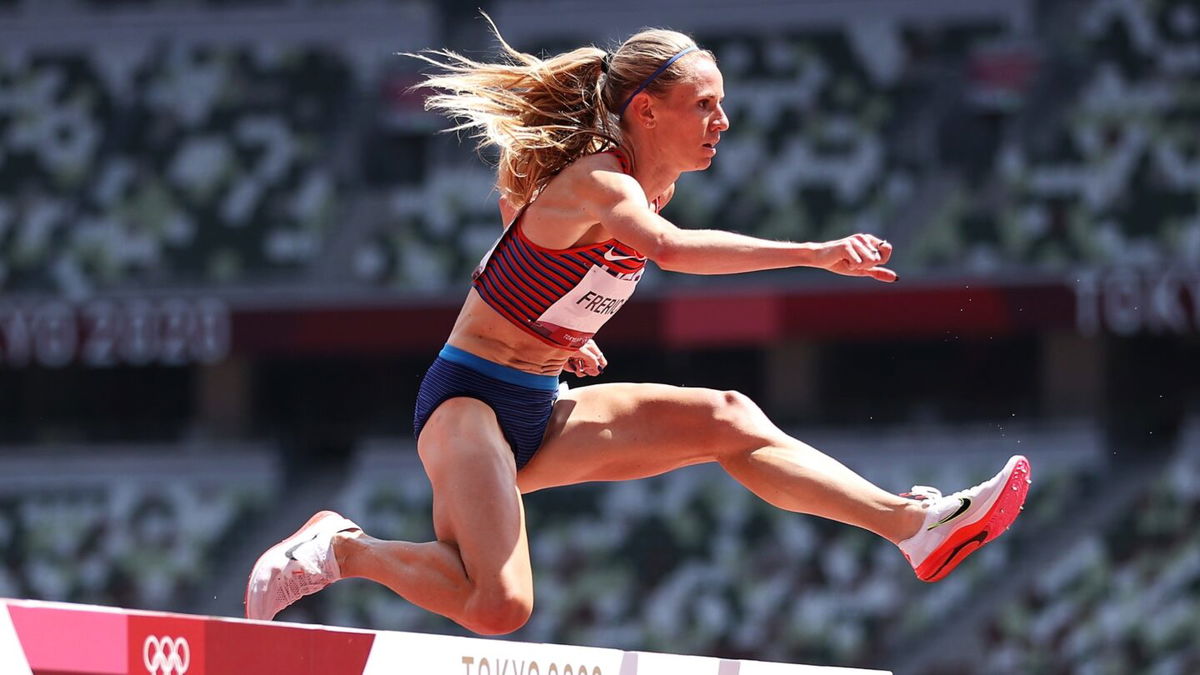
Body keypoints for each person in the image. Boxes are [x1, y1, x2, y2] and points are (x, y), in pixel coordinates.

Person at [245, 20, 1032, 635]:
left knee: (727, 416)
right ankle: (344, 546)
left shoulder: (633, 191)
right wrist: (814, 252)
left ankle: (913, 527)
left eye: (723, 103)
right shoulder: (605, 182)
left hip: (537, 400)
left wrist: (555, 328)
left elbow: (519, 222)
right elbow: (671, 252)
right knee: (499, 606)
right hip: (469, 404)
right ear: (645, 111)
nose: (723, 120)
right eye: (706, 105)